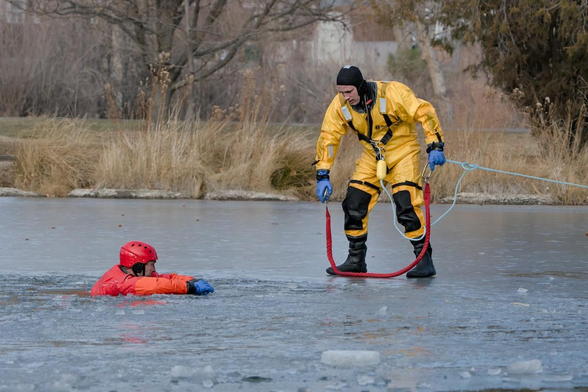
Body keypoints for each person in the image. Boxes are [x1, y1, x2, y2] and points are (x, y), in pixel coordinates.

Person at [314, 65, 446, 278]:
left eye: (349, 92)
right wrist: (322, 173)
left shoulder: (393, 93)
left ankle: (424, 260)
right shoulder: (339, 106)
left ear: (360, 86)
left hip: (403, 152)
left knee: (407, 204)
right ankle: (356, 259)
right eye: (341, 93)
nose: (345, 97)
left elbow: (424, 111)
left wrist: (435, 145)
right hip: (372, 156)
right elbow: (328, 138)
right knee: (354, 203)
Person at [91, 241, 214, 296]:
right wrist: (189, 287)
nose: (154, 269)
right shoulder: (127, 283)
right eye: (152, 264)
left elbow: (165, 278)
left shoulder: (129, 272)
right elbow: (157, 285)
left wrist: (192, 280)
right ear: (138, 267)